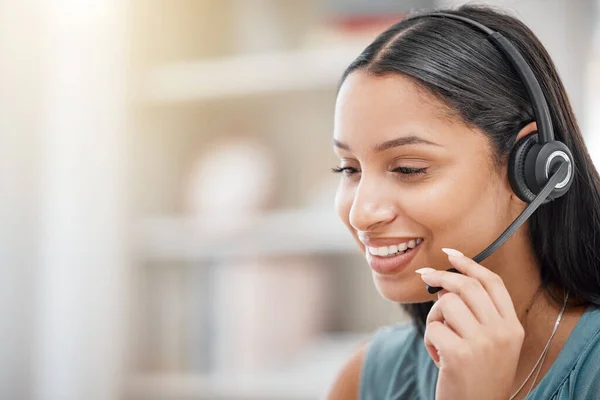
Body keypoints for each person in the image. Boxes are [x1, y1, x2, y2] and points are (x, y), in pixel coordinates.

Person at [325, 5, 600, 400]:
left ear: (534, 167)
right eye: (349, 169)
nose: (361, 213)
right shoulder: (366, 379)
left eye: (407, 168)